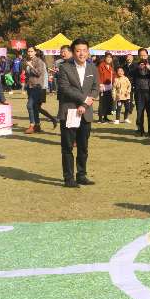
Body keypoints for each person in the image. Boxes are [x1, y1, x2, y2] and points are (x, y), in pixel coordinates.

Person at [57, 38, 99, 188]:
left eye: (84, 50)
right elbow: (65, 88)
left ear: (88, 52)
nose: (81, 53)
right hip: (69, 111)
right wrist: (84, 99)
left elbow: (95, 88)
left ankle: (81, 175)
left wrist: (84, 104)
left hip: (85, 112)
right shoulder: (64, 67)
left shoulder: (92, 67)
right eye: (78, 50)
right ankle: (68, 178)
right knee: (67, 147)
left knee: (83, 146)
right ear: (73, 52)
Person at [130, 48, 150, 143]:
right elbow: (130, 75)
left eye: (144, 55)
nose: (143, 57)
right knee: (140, 112)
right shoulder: (135, 65)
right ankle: (140, 130)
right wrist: (138, 69)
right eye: (141, 55)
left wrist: (149, 69)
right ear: (138, 56)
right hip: (139, 92)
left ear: (147, 55)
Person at [23, 46, 47, 134]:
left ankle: (32, 125)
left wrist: (31, 66)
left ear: (35, 52)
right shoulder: (28, 61)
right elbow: (28, 74)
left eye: (31, 51)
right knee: (35, 107)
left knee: (29, 105)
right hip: (30, 86)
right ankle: (37, 125)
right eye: (28, 51)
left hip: (37, 87)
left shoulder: (39, 61)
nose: (29, 53)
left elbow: (39, 73)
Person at [96, 52, 115, 123]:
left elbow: (113, 76)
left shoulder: (111, 66)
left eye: (110, 57)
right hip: (103, 86)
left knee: (108, 102)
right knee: (102, 102)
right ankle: (100, 118)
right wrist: (100, 84)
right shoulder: (101, 65)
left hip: (110, 86)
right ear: (105, 58)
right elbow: (98, 75)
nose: (109, 59)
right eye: (108, 57)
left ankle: (105, 117)